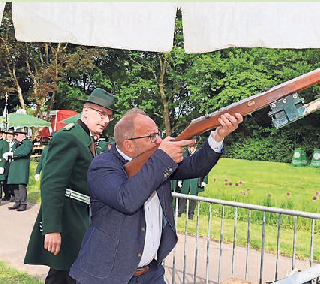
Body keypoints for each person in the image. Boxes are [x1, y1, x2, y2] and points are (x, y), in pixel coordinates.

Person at [69, 108, 243, 284]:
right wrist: (162, 158)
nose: (160, 141)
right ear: (129, 145)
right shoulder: (103, 165)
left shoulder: (156, 162)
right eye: (152, 137)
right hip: (107, 276)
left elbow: (195, 167)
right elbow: (126, 199)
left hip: (151, 273)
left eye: (158, 134)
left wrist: (218, 136)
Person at [24, 88, 115, 284]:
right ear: (85, 111)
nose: (106, 120)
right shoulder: (69, 137)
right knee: (64, 275)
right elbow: (52, 184)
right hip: (67, 221)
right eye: (101, 114)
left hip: (80, 218)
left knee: (68, 275)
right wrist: (52, 228)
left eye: (109, 116)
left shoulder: (87, 138)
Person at [177, 144, 208, 219]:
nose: (190, 149)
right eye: (189, 147)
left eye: (191, 147)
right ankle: (179, 212)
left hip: (195, 179)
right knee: (183, 195)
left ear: (195, 147)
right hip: (186, 178)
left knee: (194, 197)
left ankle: (191, 214)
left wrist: (204, 180)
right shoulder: (185, 155)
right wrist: (179, 180)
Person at [4, 127, 33, 211]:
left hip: (21, 166)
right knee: (14, 184)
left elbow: (25, 152)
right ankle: (17, 202)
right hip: (14, 166)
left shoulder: (27, 143)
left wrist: (12, 154)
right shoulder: (15, 144)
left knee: (21, 185)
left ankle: (23, 203)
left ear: (22, 135)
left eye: (17, 134)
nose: (15, 136)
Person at [2, 127, 16, 202]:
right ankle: (6, 194)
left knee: (12, 179)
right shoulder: (4, 143)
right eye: (8, 134)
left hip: (13, 162)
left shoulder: (15, 143)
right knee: (4, 178)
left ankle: (13, 194)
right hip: (6, 162)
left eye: (11, 134)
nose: (9, 136)